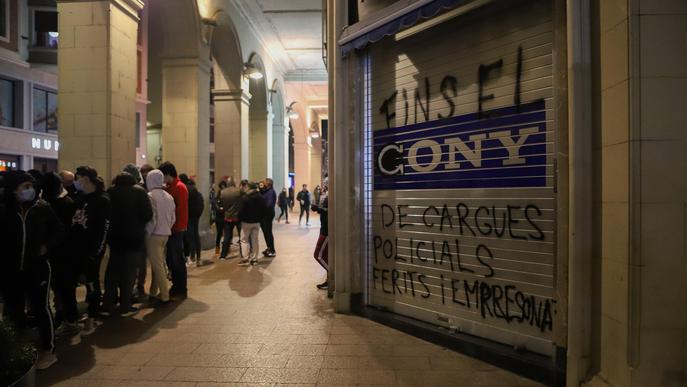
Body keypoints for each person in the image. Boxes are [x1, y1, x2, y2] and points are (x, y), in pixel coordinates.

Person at [0, 171, 64, 370]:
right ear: (13, 190)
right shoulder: (4, 210)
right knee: (13, 310)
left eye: (31, 186)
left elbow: (59, 231)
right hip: (10, 270)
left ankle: (48, 350)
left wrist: (47, 246)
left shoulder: (42, 208)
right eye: (24, 186)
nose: (30, 190)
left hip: (37, 268)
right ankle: (18, 349)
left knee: (40, 308)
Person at [102, 172, 153, 317]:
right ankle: (125, 304)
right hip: (134, 238)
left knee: (112, 271)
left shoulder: (111, 191)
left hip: (115, 238)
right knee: (129, 272)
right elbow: (148, 214)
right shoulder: (140, 192)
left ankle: (108, 303)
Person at [70, 166, 111, 334]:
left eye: (77, 178)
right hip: (77, 249)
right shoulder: (80, 198)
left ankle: (93, 315)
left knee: (92, 283)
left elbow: (104, 229)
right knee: (80, 281)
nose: (76, 182)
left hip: (92, 250)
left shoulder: (102, 200)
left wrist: (96, 251)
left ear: (86, 179)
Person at [41, 172, 78, 336]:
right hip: (61, 252)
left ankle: (69, 319)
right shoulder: (64, 202)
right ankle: (64, 316)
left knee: (64, 288)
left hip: (62, 253)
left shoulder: (58, 204)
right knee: (61, 287)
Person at [145, 169, 175, 304]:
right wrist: (167, 227)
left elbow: (152, 219)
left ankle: (164, 296)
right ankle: (153, 292)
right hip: (166, 234)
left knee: (158, 266)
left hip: (154, 235)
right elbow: (173, 218)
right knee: (159, 263)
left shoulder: (150, 195)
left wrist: (147, 234)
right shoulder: (169, 196)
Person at [159, 161, 188, 299]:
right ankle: (176, 286)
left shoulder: (180, 187)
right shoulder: (171, 186)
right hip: (170, 228)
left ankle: (181, 288)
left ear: (168, 174)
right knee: (171, 258)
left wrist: (173, 225)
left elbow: (179, 210)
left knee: (177, 258)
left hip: (176, 228)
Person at [238, 181, 265, 266]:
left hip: (246, 222)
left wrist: (240, 219)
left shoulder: (245, 197)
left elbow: (241, 211)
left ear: (249, 187)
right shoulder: (260, 197)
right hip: (256, 222)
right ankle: (254, 259)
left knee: (244, 240)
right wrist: (260, 219)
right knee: (255, 240)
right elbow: (263, 209)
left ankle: (245, 259)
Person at [180, 174, 204, 266]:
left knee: (188, 237)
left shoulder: (184, 189)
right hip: (195, 216)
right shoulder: (195, 189)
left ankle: (190, 257)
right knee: (195, 235)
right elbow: (201, 203)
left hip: (188, 215)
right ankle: (197, 257)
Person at [219, 178, 242, 260]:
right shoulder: (238, 191)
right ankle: (244, 253)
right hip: (238, 217)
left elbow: (222, 204)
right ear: (234, 183)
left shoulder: (223, 192)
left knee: (227, 237)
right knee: (242, 236)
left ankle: (223, 255)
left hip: (228, 217)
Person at [311, 194, 329, 289]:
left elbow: (332, 210)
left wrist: (318, 209)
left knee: (318, 255)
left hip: (327, 232)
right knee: (326, 256)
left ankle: (333, 274)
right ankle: (329, 279)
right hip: (324, 230)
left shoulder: (336, 193)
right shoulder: (327, 194)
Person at [260, 178, 277, 258]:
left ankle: (272, 250)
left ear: (269, 184)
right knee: (266, 232)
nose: (263, 183)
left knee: (268, 232)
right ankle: (269, 248)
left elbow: (269, 204)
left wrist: (262, 208)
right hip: (265, 215)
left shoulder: (271, 192)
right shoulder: (266, 191)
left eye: (265, 182)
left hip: (267, 215)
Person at [212, 180, 227, 257]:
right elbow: (217, 208)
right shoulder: (216, 198)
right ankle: (217, 249)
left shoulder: (227, 197)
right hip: (219, 219)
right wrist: (222, 209)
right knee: (219, 234)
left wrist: (222, 209)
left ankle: (225, 249)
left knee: (226, 235)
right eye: (222, 188)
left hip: (226, 218)